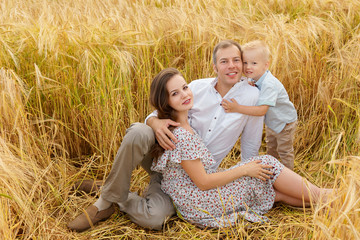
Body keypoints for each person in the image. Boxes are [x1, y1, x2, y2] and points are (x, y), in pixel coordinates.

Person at [67, 40, 263, 232]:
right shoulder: (196, 87)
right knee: (139, 131)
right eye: (224, 61)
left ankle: (112, 191)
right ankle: (103, 203)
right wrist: (154, 121)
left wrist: (249, 177)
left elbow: (250, 146)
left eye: (236, 60)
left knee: (156, 219)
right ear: (214, 66)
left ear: (243, 63)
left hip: (190, 182)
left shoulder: (252, 98)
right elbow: (161, 108)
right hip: (161, 158)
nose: (231, 66)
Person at [149, 67, 333, 228]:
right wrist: (245, 169)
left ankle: (330, 202)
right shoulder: (180, 134)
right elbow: (203, 182)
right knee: (266, 163)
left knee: (275, 192)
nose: (185, 94)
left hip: (192, 199)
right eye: (175, 93)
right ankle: (333, 196)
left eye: (185, 87)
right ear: (165, 102)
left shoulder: (181, 124)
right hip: (199, 201)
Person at [221, 40, 298, 170]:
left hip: (284, 123)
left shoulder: (269, 84)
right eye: (245, 63)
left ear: (266, 65)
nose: (248, 67)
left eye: (254, 63)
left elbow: (262, 110)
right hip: (272, 122)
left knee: (284, 151)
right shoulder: (254, 78)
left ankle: (290, 177)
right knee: (271, 149)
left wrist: (237, 108)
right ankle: (273, 171)